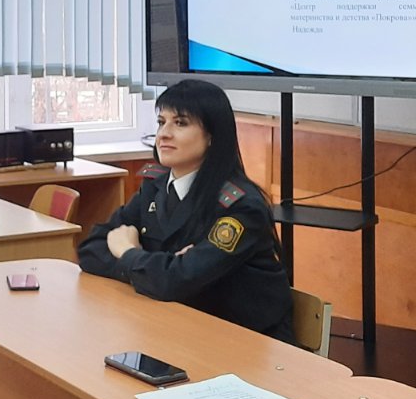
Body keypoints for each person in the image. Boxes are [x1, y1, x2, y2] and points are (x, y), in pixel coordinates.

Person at [78, 79, 295, 343]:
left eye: (180, 123)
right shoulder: (155, 187)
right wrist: (156, 269)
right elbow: (90, 250)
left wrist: (128, 252)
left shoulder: (240, 207)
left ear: (212, 136)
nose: (164, 134)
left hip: (247, 342)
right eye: (161, 122)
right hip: (178, 327)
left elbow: (174, 281)